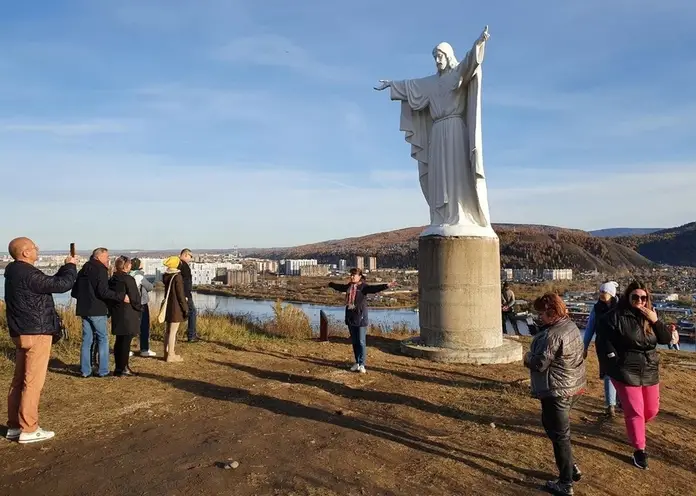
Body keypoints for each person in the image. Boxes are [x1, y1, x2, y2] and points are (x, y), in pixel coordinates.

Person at [4, 237, 77, 443]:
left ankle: (14, 426)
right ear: (25, 253)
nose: (37, 250)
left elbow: (49, 284)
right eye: (34, 247)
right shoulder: (27, 273)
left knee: (18, 381)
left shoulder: (12, 273)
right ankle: (29, 428)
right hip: (37, 331)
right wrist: (70, 266)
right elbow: (61, 284)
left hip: (20, 332)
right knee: (33, 382)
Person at [596, 281, 672, 470]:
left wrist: (655, 320)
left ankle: (635, 427)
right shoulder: (615, 316)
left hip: (649, 369)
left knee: (651, 410)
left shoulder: (650, 315)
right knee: (635, 412)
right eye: (635, 297)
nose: (640, 301)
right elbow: (603, 341)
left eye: (643, 298)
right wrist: (614, 364)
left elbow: (666, 339)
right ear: (627, 297)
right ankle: (639, 450)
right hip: (626, 370)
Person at [524, 293, 585, 496]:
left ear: (551, 313)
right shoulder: (571, 327)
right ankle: (570, 466)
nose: (539, 317)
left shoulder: (552, 335)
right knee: (553, 428)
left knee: (559, 436)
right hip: (572, 386)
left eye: (541, 313)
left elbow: (539, 364)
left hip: (556, 390)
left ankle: (565, 482)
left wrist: (527, 356)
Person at [72, 248, 128, 378]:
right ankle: (103, 370)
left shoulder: (83, 270)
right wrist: (120, 296)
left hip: (83, 309)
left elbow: (74, 292)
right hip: (97, 309)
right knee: (103, 338)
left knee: (87, 340)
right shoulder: (100, 270)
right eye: (106, 257)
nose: (108, 259)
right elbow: (103, 291)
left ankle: (85, 370)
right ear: (98, 257)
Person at [327, 268, 396, 373]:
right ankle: (357, 362)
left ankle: (362, 364)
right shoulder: (349, 287)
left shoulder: (363, 287)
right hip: (350, 317)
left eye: (354, 275)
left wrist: (386, 285)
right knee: (354, 341)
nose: (352, 277)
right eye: (351, 275)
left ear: (360, 276)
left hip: (361, 317)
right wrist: (331, 284)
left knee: (361, 341)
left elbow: (374, 288)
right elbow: (339, 287)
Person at [583, 281, 620, 417]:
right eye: (600, 292)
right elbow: (590, 327)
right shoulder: (597, 308)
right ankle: (610, 405)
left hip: (619, 345)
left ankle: (620, 400)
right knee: (608, 375)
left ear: (611, 293)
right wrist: (585, 346)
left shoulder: (621, 307)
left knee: (621, 374)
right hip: (603, 345)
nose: (601, 295)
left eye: (603, 292)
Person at [108, 257, 143, 376]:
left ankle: (119, 367)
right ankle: (124, 367)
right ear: (126, 266)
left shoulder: (113, 279)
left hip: (117, 313)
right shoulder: (128, 279)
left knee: (119, 341)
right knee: (125, 342)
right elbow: (135, 297)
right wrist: (139, 308)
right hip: (128, 314)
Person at [162, 256, 189, 362]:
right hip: (176, 307)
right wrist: (185, 308)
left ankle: (166, 352)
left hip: (168, 306)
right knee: (173, 332)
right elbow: (180, 295)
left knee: (167, 331)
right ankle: (171, 355)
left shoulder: (166, 276)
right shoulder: (177, 277)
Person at [130, 258, 156, 357]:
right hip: (142, 303)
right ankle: (144, 349)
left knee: (131, 326)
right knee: (144, 326)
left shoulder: (128, 275)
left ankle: (126, 348)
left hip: (130, 304)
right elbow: (150, 287)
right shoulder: (139, 276)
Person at [178, 249, 198, 342]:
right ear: (186, 255)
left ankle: (190, 334)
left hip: (182, 294)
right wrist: (186, 295)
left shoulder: (178, 264)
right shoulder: (184, 266)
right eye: (190, 257)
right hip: (185, 294)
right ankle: (191, 335)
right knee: (192, 312)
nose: (190, 259)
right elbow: (185, 282)